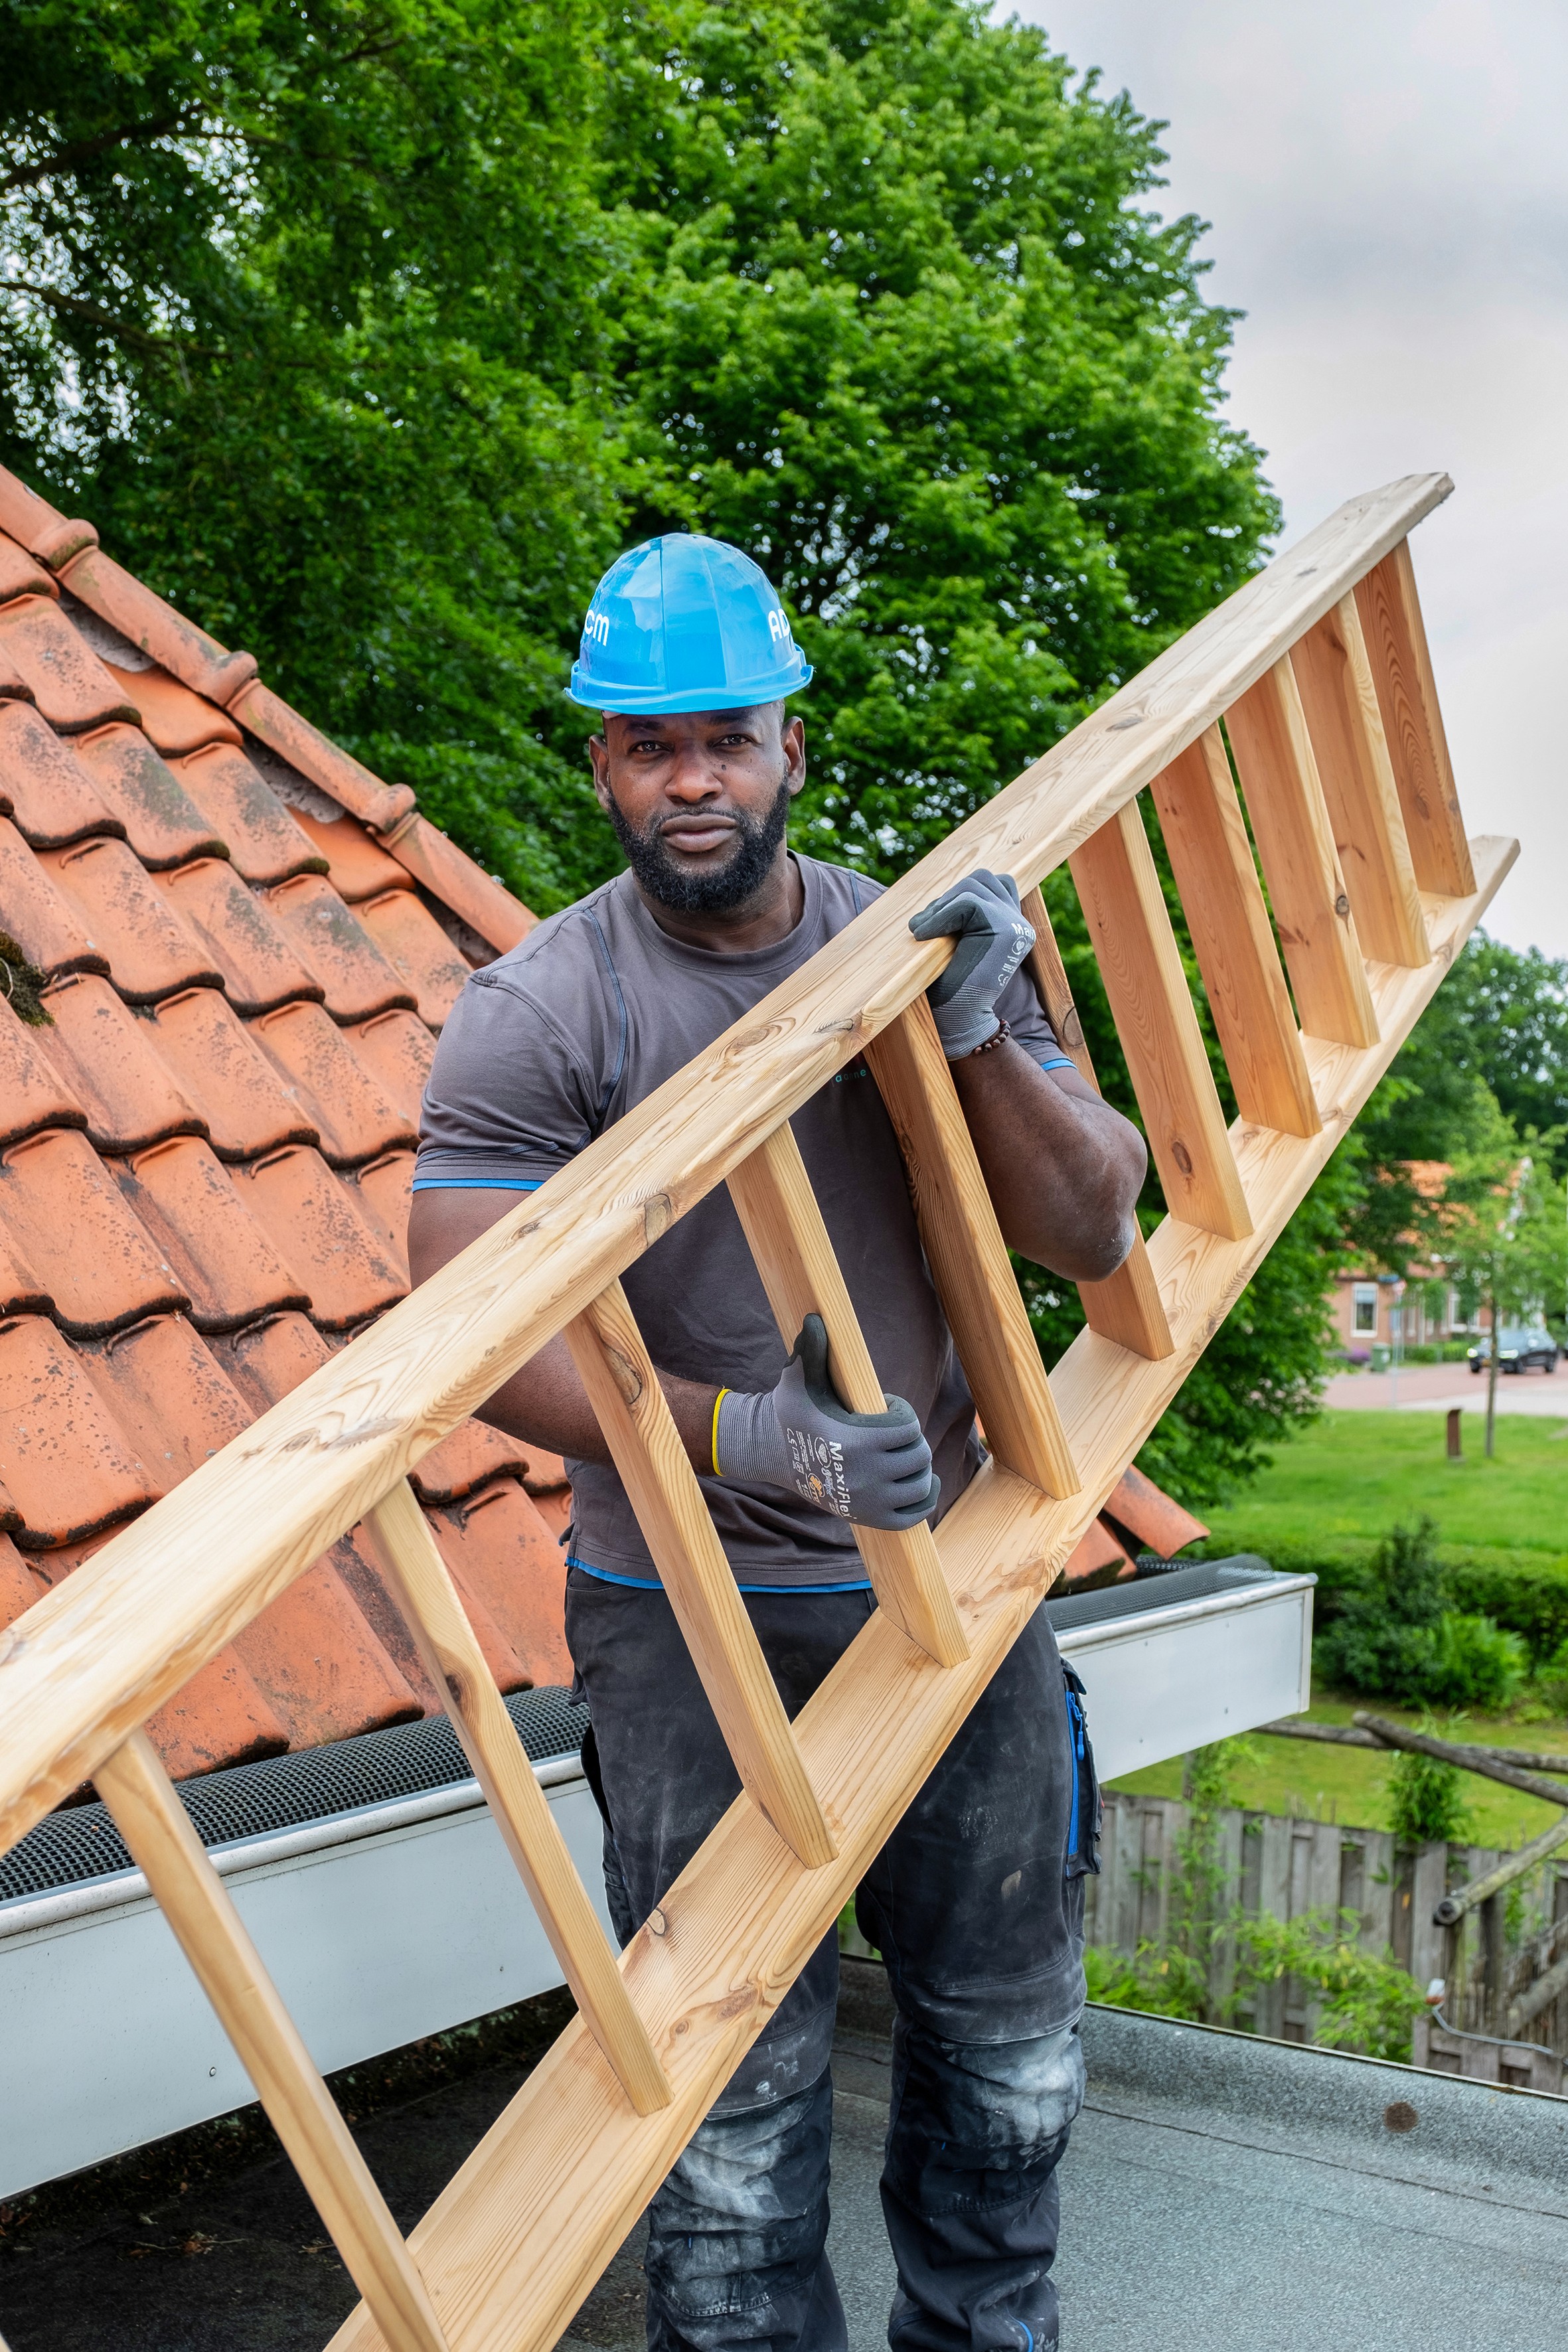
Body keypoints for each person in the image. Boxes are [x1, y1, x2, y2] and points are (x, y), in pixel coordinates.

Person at [410, 534, 1146, 2352]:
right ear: (599, 763)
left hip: (952, 1587)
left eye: (723, 738)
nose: (689, 780)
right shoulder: (543, 1012)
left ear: (790, 745)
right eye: (648, 746)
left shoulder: (924, 953)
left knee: (1006, 2068)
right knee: (730, 2110)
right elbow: (459, 1325)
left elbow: (1095, 1229)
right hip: (681, 1610)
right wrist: (751, 1437)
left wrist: (978, 1035)